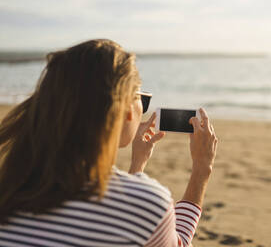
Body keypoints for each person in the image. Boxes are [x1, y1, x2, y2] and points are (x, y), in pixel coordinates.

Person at [0, 39, 218, 246]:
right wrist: (201, 170)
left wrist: (138, 165)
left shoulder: (12, 188)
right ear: (126, 111)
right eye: (142, 98)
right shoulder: (148, 203)